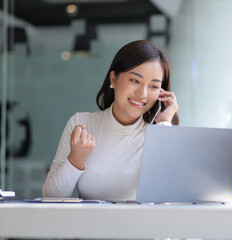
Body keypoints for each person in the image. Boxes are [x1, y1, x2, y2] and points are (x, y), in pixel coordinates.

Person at [42, 40, 179, 201]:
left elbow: (169, 197)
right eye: (135, 80)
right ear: (113, 79)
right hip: (89, 225)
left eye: (153, 86)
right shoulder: (81, 124)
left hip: (141, 225)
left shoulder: (160, 133)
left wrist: (163, 124)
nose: (142, 94)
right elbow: (50, 197)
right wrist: (76, 159)